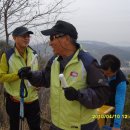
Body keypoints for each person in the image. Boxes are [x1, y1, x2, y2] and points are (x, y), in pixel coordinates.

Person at [18, 20, 111, 130]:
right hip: (57, 124)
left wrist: (78, 95)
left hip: (82, 127)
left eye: (52, 38)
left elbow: (102, 94)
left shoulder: (87, 62)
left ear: (66, 38)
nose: (50, 43)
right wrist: (30, 75)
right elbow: (45, 77)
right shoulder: (55, 60)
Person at [0, 26, 41, 130]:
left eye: (28, 36)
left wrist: (38, 84)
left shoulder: (34, 53)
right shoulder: (7, 55)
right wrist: (17, 76)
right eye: (23, 36)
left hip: (33, 101)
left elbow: (37, 73)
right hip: (15, 102)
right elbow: (1, 77)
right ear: (14, 38)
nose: (27, 38)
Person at [100, 54, 127, 130]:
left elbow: (119, 104)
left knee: (113, 124)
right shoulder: (100, 70)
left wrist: (116, 126)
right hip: (101, 102)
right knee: (99, 122)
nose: (105, 75)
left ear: (116, 70)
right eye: (104, 72)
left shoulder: (121, 82)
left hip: (113, 104)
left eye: (108, 73)